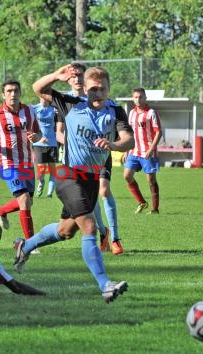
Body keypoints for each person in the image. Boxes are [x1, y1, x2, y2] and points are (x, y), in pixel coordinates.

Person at [13, 66, 134, 303]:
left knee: (65, 231)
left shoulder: (116, 111)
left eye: (102, 89)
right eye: (93, 89)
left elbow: (128, 140)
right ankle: (105, 285)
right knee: (89, 227)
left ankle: (24, 246)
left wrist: (114, 146)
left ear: (109, 89)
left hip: (90, 179)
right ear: (85, 89)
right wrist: (57, 77)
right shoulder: (70, 104)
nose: (97, 94)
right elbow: (37, 88)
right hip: (68, 175)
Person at [51, 63, 123, 254]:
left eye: (80, 75)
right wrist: (75, 141)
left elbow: (122, 135)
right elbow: (59, 133)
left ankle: (115, 238)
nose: (76, 78)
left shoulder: (109, 104)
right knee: (78, 215)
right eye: (73, 76)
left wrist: (117, 145)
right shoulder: (68, 103)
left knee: (104, 190)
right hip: (76, 158)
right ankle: (102, 232)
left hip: (102, 155)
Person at [0, 80, 41, 241]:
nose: (12, 94)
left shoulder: (30, 111)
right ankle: (31, 244)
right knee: (24, 200)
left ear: (20, 93)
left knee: (27, 202)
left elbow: (38, 133)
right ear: (3, 94)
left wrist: (36, 137)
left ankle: (1, 211)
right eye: (9, 91)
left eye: (15, 91)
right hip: (8, 164)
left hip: (27, 163)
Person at [123, 87, 162, 214]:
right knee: (127, 176)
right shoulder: (132, 113)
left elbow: (158, 132)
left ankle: (155, 209)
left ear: (145, 98)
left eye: (140, 97)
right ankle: (142, 202)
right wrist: (125, 150)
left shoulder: (151, 113)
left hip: (147, 152)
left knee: (151, 181)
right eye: (135, 97)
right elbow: (130, 133)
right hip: (134, 151)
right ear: (132, 99)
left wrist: (151, 149)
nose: (138, 99)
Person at [32, 97, 59, 198]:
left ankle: (49, 193)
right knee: (41, 170)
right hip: (38, 144)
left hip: (52, 144)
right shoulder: (34, 109)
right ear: (39, 96)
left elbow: (60, 123)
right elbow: (29, 125)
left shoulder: (54, 109)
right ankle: (41, 182)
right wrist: (38, 137)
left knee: (52, 170)